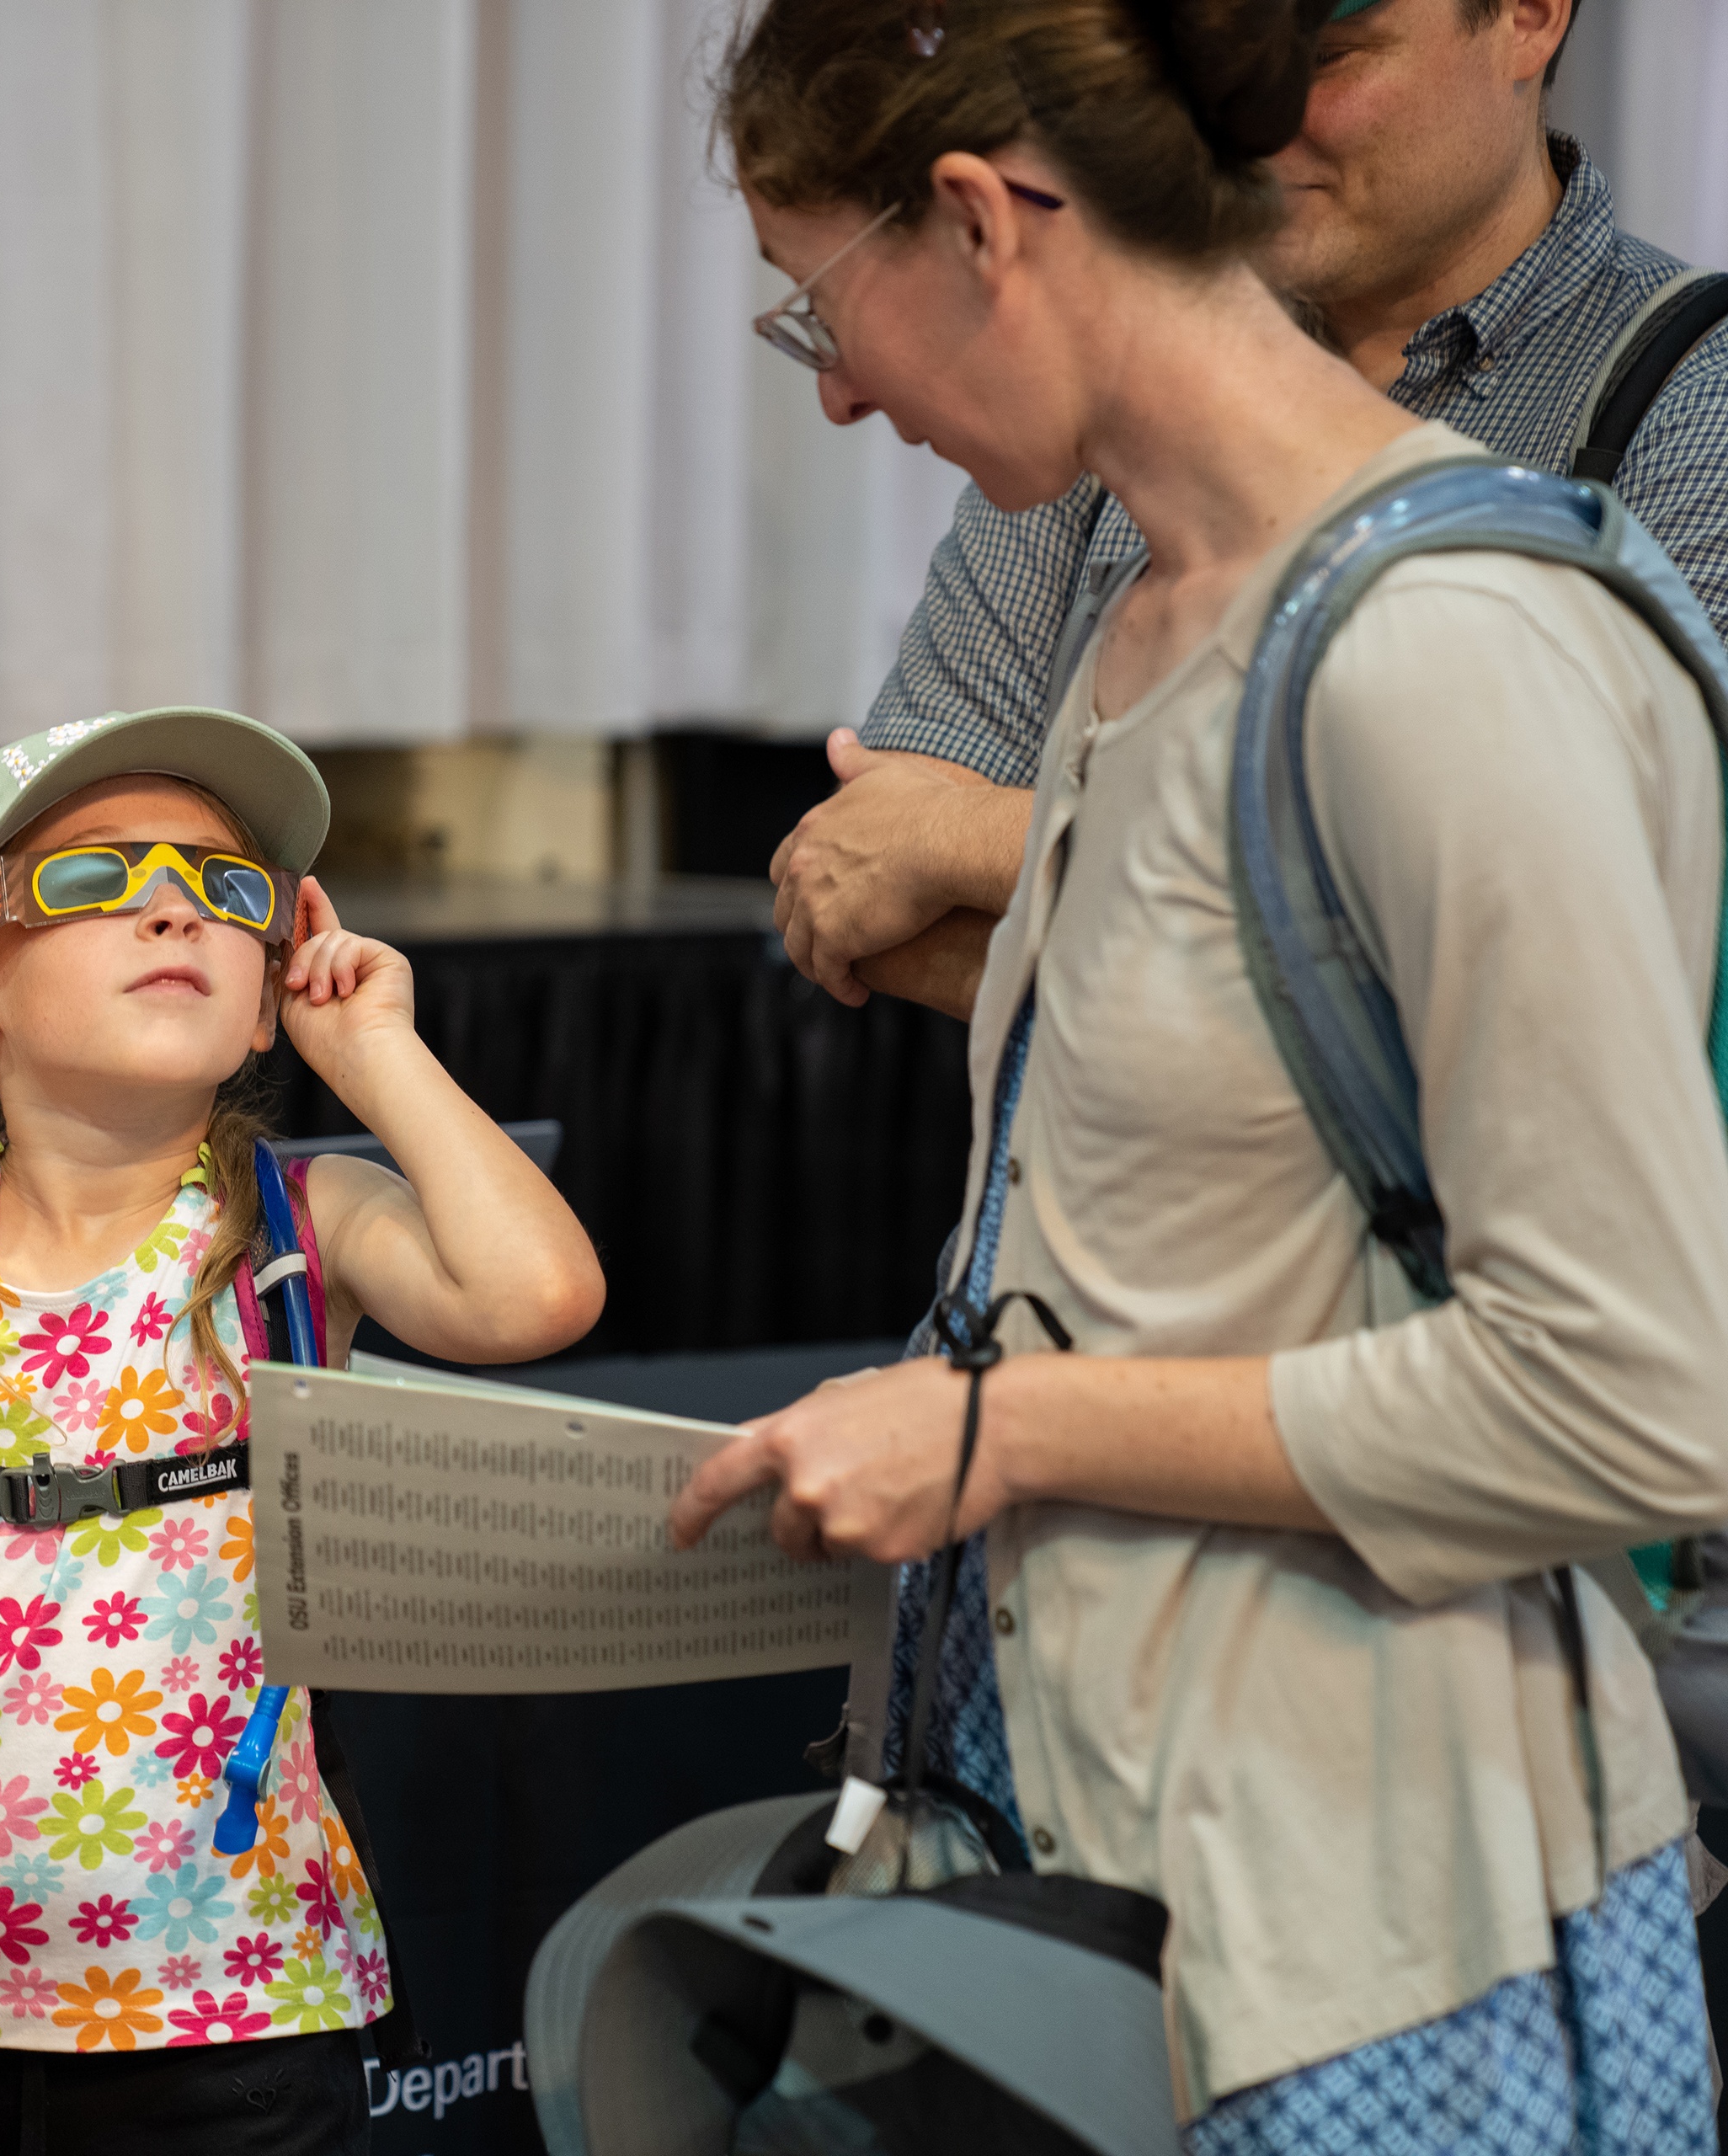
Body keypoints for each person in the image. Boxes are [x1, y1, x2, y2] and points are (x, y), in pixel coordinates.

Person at [671, 0, 1728, 2147]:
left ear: (978, 218)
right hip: (1113, 1861)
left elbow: (1639, 1392)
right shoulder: (1159, 624)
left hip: (1381, 1935)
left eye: (822, 306)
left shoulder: (1449, 650)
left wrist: (1001, 1425)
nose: (846, 387)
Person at [0, 707, 604, 2151]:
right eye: (98, 875)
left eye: (229, 889)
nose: (175, 903)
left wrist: (379, 1056)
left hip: (232, 2021)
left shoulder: (296, 1229)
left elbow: (539, 1294)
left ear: (260, 996)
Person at [767, 0, 1728, 1020]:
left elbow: (1574, 930)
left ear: (1529, 19)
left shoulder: (1693, 398)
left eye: (1326, 58)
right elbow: (869, 900)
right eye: (1216, 67)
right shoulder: (1133, 359)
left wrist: (965, 838)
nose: (1251, 123)